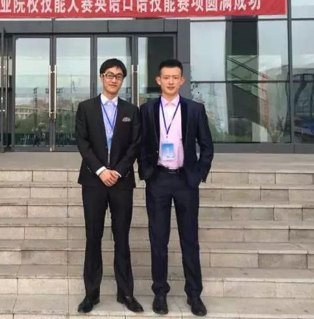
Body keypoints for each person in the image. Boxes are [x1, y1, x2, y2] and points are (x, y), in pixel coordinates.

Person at [138, 59, 214, 317]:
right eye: (166, 77)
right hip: (158, 180)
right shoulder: (147, 109)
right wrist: (146, 172)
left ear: (182, 81)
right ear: (158, 80)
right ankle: (160, 292)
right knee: (158, 239)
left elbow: (207, 145)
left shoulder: (194, 109)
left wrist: (198, 175)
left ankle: (194, 294)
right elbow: (141, 144)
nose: (170, 81)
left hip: (185, 181)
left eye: (175, 77)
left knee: (189, 240)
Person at [74, 58, 143, 314]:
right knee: (93, 237)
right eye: (109, 75)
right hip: (94, 181)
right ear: (101, 77)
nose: (114, 79)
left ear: (123, 80)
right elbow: (82, 143)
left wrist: (119, 170)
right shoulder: (86, 108)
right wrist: (101, 170)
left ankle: (126, 293)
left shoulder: (131, 111)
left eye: (119, 76)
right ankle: (91, 294)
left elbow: (135, 144)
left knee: (122, 237)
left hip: (122, 182)